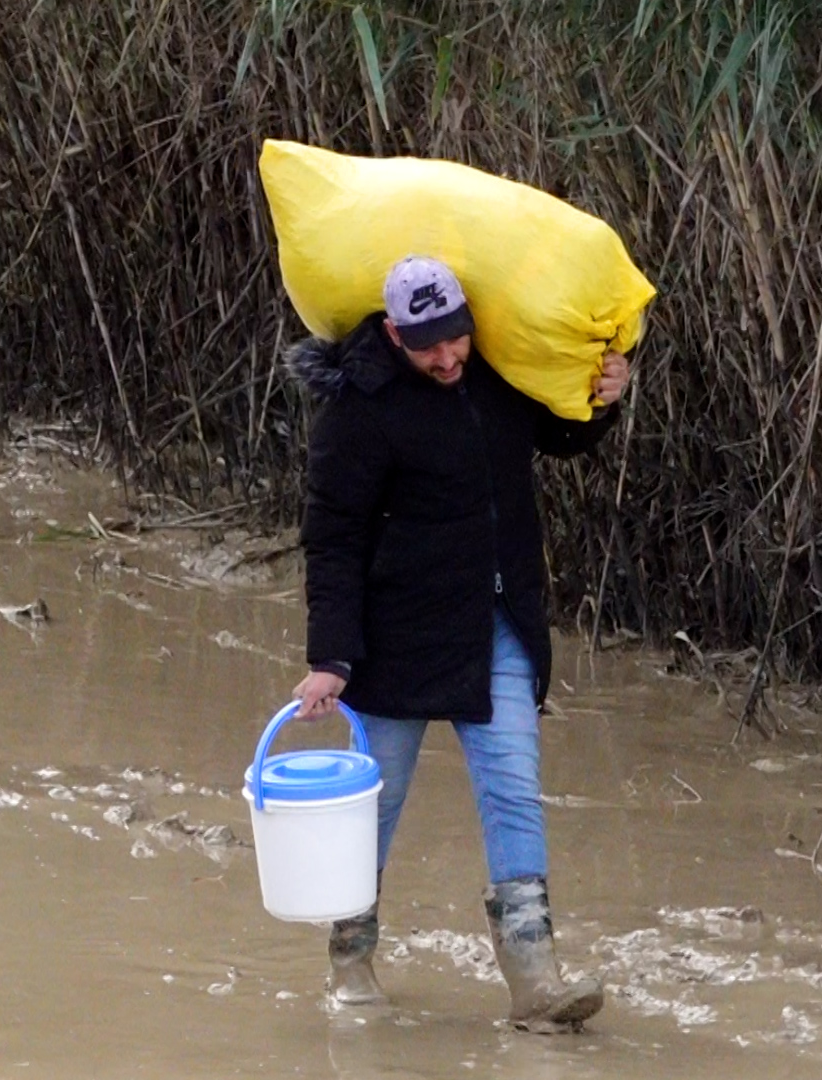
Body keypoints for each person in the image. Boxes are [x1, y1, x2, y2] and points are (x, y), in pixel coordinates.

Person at [284, 255, 630, 1033]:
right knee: (377, 808)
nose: (447, 360)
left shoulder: (496, 377)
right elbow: (331, 538)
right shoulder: (359, 407)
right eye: (428, 346)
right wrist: (331, 659)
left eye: (456, 340)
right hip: (395, 639)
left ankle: (536, 983)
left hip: (493, 624)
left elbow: (559, 434)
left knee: (513, 789)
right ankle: (350, 962)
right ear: (394, 333)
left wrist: (603, 399)